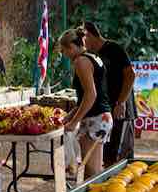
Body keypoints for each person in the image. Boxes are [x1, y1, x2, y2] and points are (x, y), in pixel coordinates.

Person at [57, 28, 112, 179]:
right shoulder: (93, 56)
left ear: (71, 47)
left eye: (63, 51)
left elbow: (91, 95)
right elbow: (85, 97)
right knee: (93, 169)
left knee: (91, 172)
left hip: (96, 118)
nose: (64, 55)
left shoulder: (81, 61)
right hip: (101, 116)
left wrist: (75, 121)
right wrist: (71, 115)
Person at [82, 22, 136, 165]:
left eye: (83, 37)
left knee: (120, 157)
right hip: (107, 111)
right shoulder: (93, 55)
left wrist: (121, 102)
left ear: (89, 35)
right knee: (107, 157)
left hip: (121, 109)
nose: (82, 42)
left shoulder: (114, 48)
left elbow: (131, 74)